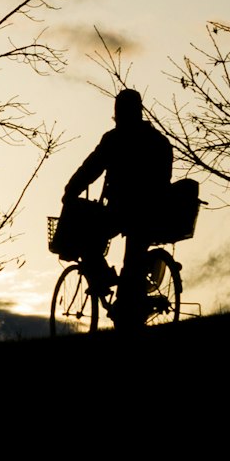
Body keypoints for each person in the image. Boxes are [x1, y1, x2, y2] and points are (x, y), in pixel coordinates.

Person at [63, 89, 176, 328]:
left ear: (119, 112)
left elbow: (91, 168)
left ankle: (109, 286)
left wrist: (71, 190)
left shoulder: (114, 139)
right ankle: (125, 304)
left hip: (124, 210)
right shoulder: (159, 141)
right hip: (151, 212)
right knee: (131, 260)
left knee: (91, 236)